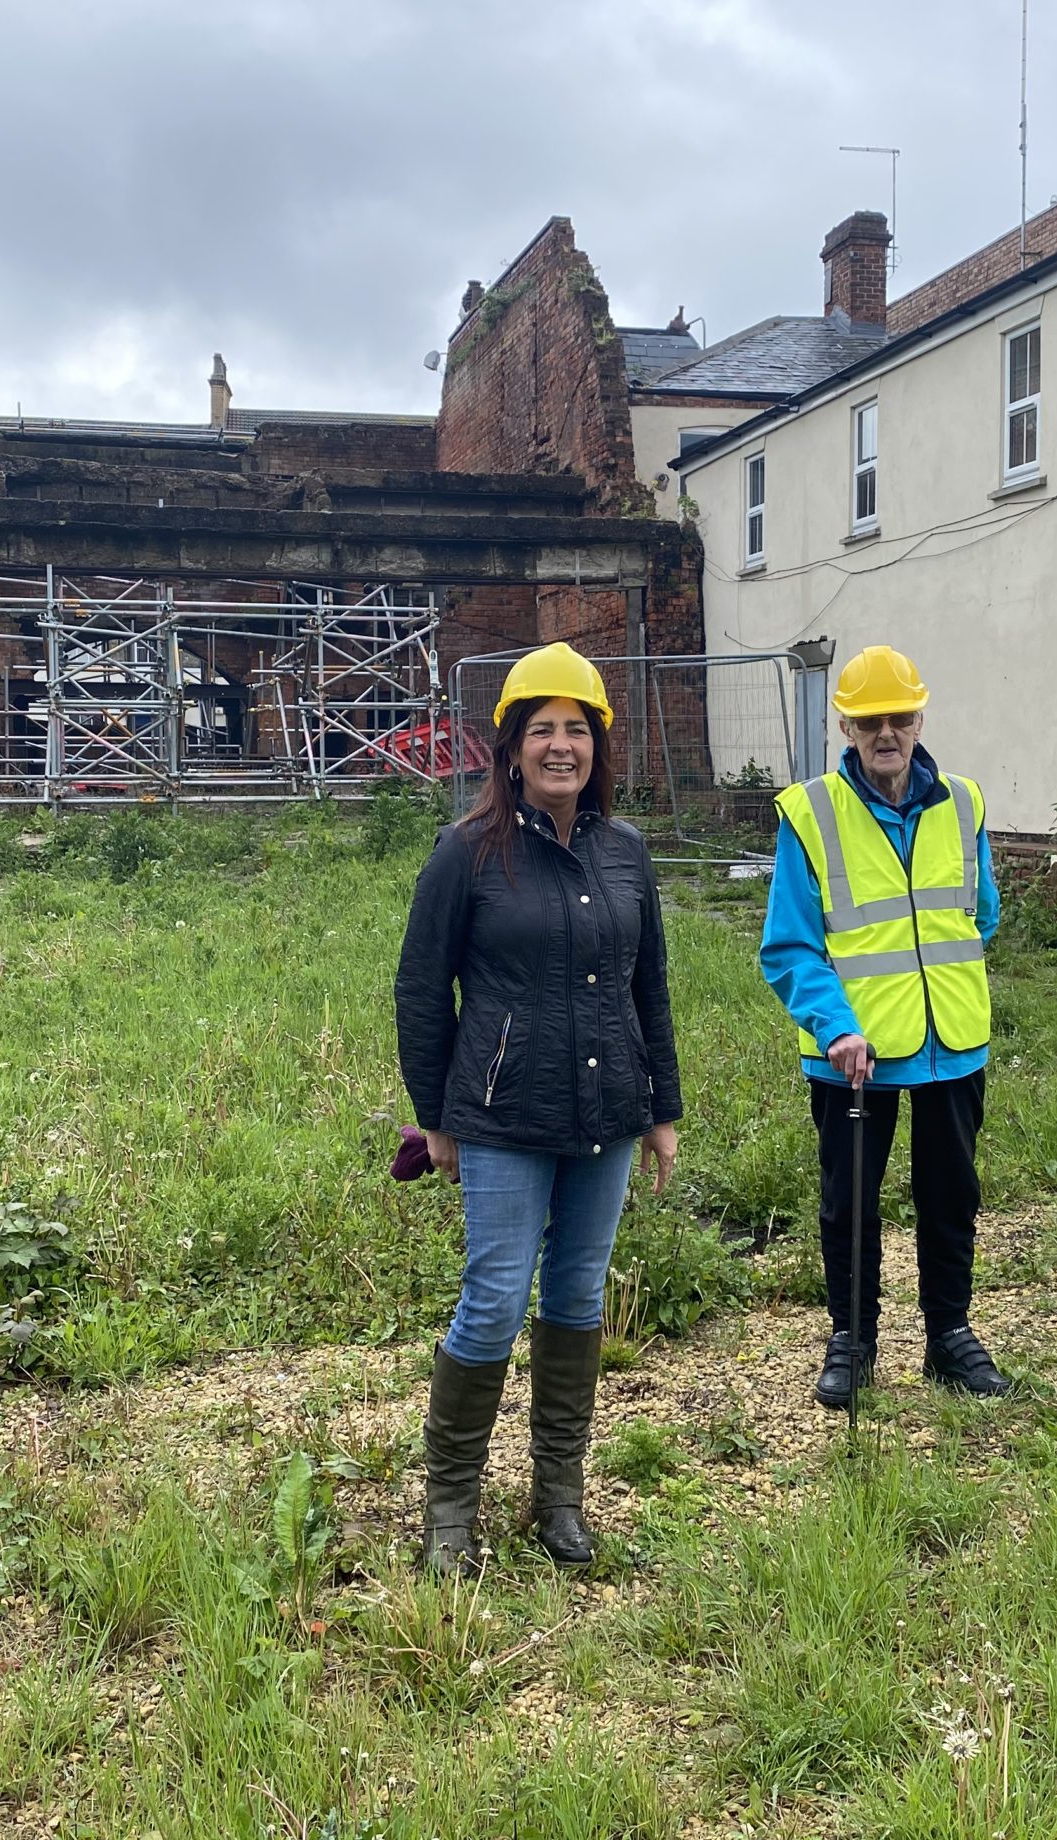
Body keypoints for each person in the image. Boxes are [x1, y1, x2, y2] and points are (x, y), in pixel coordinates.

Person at [394, 643, 684, 1572]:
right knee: (492, 1302)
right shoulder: (467, 852)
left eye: (578, 730)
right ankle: (450, 1515)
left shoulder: (626, 853)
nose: (561, 747)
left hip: (605, 1112)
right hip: (503, 1114)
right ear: (510, 748)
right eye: (542, 731)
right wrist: (436, 1116)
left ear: (599, 744)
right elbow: (418, 988)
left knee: (575, 1294)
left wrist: (660, 1108)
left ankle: (558, 1497)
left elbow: (652, 989)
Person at [760, 644, 1012, 1408]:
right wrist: (837, 1024)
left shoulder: (963, 804)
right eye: (870, 721)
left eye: (899, 717)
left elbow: (982, 913)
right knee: (850, 1203)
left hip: (951, 1047)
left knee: (950, 1197)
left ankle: (950, 1336)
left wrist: (937, 987)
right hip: (853, 1058)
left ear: (919, 717)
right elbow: (790, 946)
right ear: (845, 724)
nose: (886, 734)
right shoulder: (810, 814)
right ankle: (853, 1341)